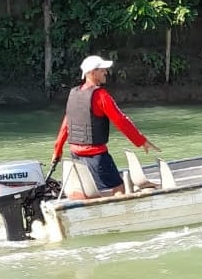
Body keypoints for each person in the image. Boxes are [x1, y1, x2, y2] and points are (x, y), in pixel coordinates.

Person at [52, 55, 161, 197]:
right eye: (102, 70)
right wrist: (142, 141)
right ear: (92, 72)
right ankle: (118, 216)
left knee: (85, 191)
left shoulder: (74, 94)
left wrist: (58, 151)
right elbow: (121, 120)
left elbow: (66, 125)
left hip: (76, 155)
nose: (106, 72)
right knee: (119, 188)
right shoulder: (100, 95)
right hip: (96, 156)